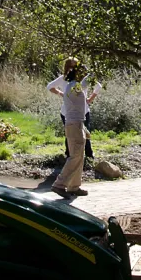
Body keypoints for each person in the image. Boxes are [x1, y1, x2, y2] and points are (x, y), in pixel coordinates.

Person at [47, 58, 92, 197]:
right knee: (75, 156)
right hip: (74, 125)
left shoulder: (72, 86)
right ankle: (59, 185)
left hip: (77, 124)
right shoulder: (74, 86)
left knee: (79, 156)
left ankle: (74, 186)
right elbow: (89, 79)